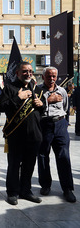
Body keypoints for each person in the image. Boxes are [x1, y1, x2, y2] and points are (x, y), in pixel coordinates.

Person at [0, 62, 45, 205]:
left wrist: (41, 105)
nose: (28, 74)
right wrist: (19, 97)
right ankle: (12, 192)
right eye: (25, 71)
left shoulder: (37, 89)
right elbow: (2, 107)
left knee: (29, 165)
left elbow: (42, 112)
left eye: (30, 71)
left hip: (34, 134)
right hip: (16, 134)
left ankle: (26, 190)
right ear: (18, 73)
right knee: (14, 165)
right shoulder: (10, 88)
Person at [37, 67, 76, 203]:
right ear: (43, 77)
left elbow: (65, 107)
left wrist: (63, 123)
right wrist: (48, 102)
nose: (52, 79)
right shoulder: (38, 91)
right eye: (49, 76)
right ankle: (45, 185)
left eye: (54, 76)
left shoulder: (62, 91)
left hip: (60, 125)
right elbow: (35, 109)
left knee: (63, 156)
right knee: (42, 155)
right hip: (44, 125)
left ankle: (67, 189)